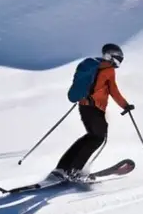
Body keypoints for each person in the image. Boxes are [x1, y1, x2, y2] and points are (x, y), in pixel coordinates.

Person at [51, 43, 134, 180]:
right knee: (98, 137)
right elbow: (114, 91)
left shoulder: (95, 65)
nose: (119, 62)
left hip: (84, 107)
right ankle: (75, 171)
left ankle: (62, 167)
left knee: (90, 137)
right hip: (95, 109)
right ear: (110, 56)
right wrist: (125, 105)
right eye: (118, 58)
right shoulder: (108, 70)